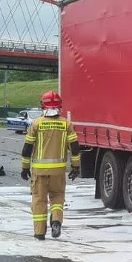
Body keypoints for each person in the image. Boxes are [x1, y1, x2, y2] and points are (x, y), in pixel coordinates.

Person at [20, 91, 81, 240]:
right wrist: (75, 167)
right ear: (60, 106)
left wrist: (25, 168)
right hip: (58, 172)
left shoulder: (36, 123)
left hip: (39, 172)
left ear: (43, 105)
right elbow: (74, 147)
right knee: (57, 197)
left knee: (39, 200)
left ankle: (40, 233)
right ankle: (56, 221)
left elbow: (27, 148)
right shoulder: (66, 124)